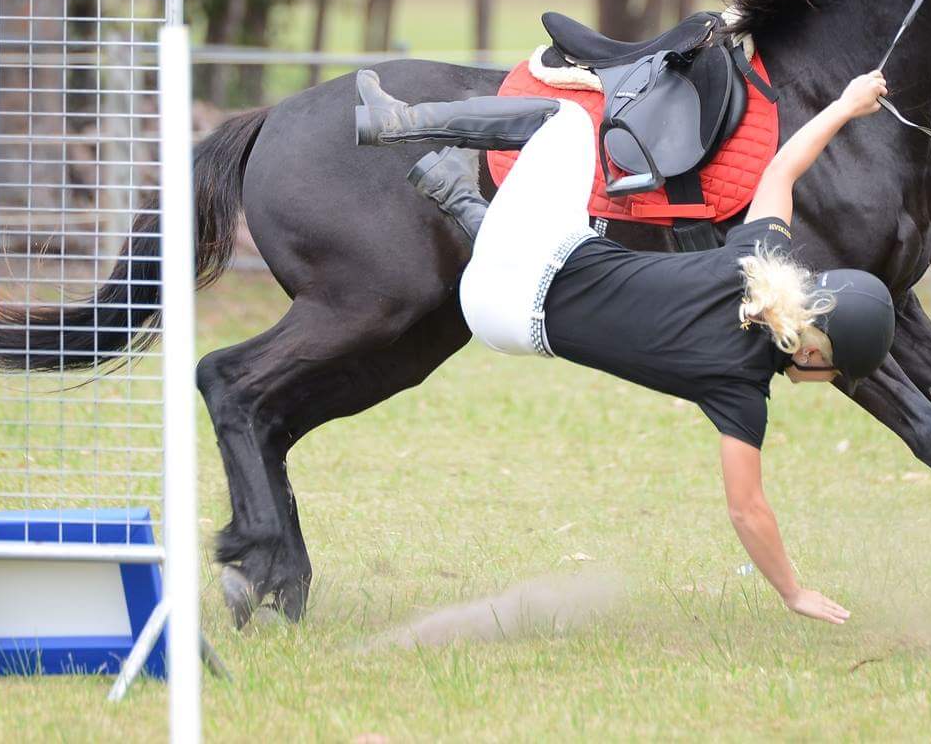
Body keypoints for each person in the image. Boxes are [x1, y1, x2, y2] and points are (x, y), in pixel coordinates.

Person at [354, 66, 896, 625]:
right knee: (567, 234)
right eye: (834, 372)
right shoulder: (741, 390)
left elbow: (783, 169)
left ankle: (406, 127)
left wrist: (847, 104)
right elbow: (746, 509)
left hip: (527, 267)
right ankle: (449, 187)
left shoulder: (759, 255)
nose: (827, 380)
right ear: (813, 352)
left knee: (564, 120)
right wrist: (792, 591)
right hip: (505, 314)